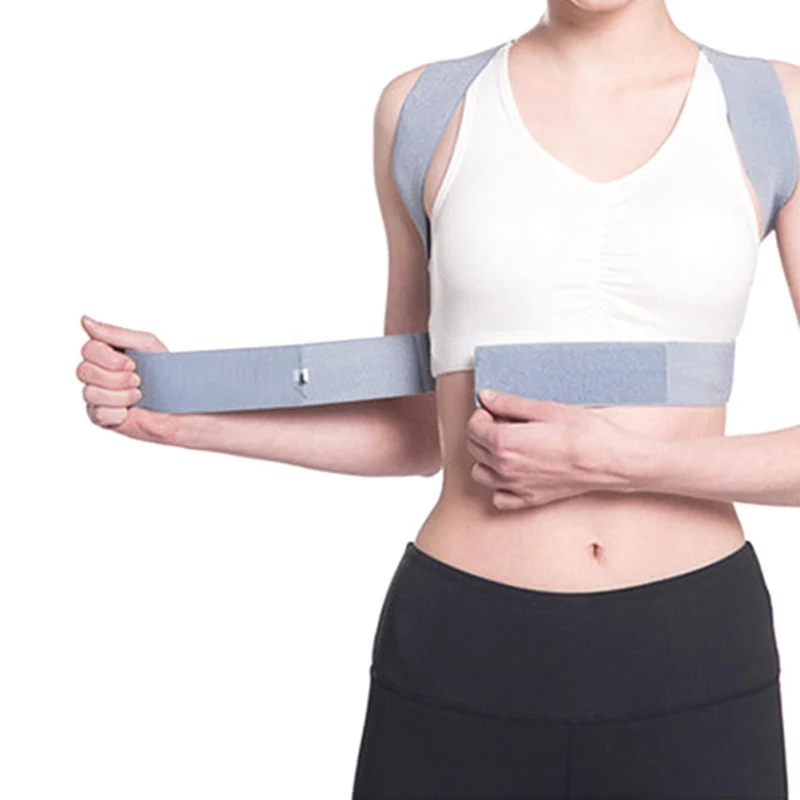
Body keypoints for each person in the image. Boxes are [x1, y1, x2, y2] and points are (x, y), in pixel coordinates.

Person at [77, 0, 800, 796]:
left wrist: (616, 462)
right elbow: (417, 432)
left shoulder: (775, 108)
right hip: (466, 645)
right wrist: (179, 417)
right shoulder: (426, 108)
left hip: (693, 647)